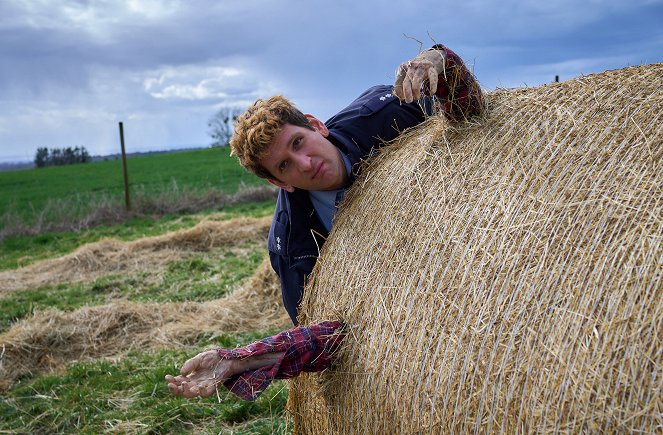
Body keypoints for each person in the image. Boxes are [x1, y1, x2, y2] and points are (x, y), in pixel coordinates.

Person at [166, 43, 484, 400]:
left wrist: (437, 62)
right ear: (278, 182)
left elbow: (473, 124)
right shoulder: (293, 247)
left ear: (317, 126)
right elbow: (326, 337)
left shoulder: (385, 113)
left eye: (299, 142)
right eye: (284, 165)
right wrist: (240, 360)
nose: (304, 163)